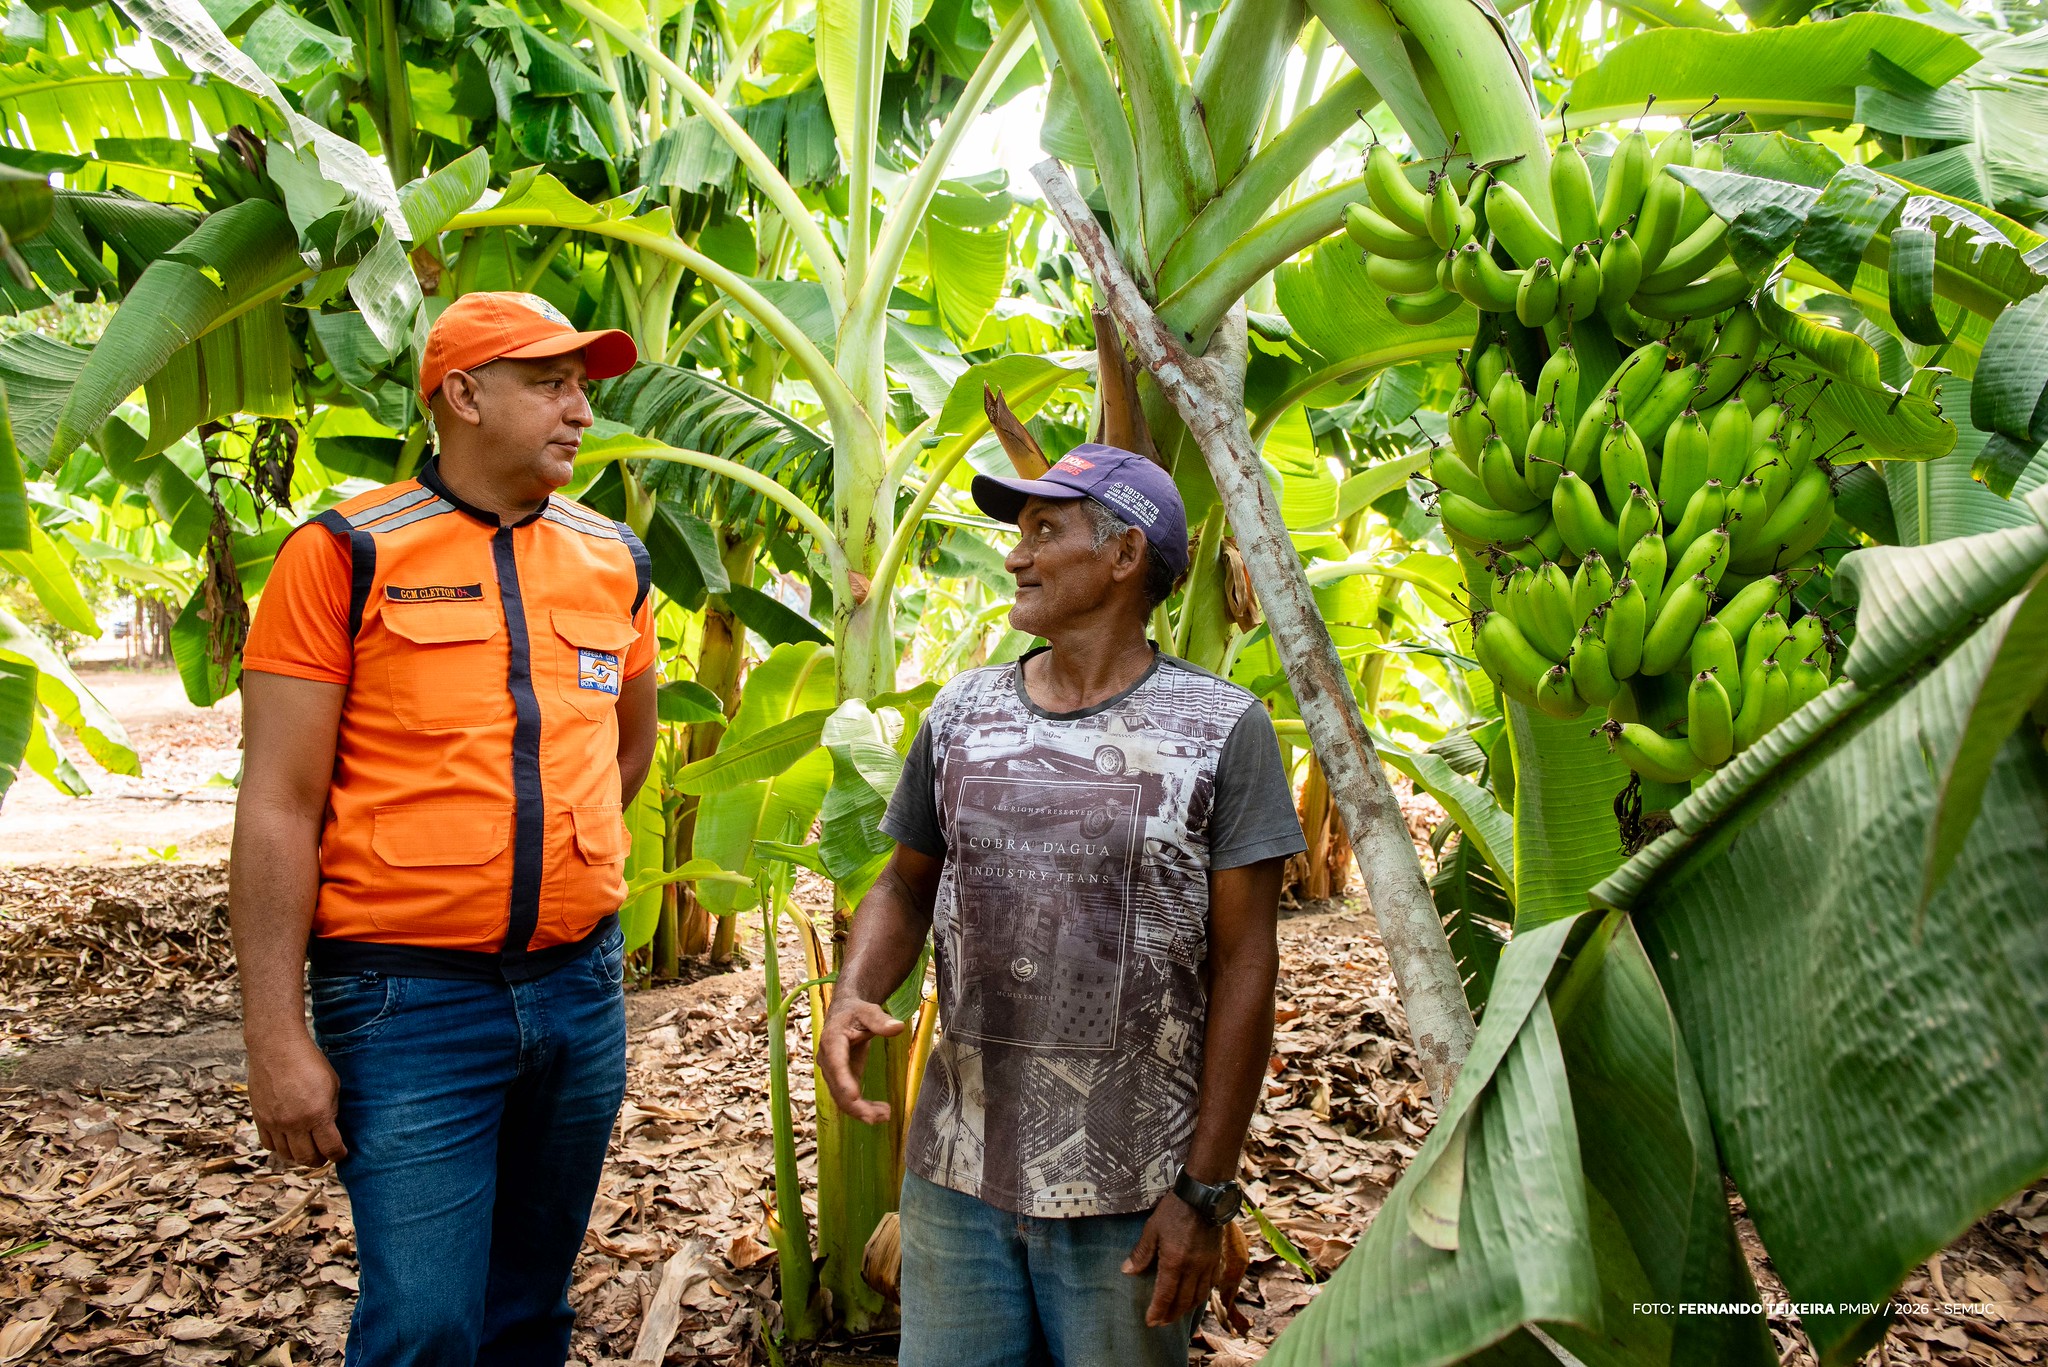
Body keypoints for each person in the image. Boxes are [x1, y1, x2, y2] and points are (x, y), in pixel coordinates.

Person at [229, 291, 661, 1365]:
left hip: (578, 990)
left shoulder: (615, 557)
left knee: (531, 1306)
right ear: (463, 395)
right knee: (424, 1324)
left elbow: (624, 750)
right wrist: (274, 1035)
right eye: (550, 384)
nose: (580, 410)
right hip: (408, 1000)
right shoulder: (344, 553)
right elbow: (277, 803)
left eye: (583, 387)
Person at [819, 445, 1307, 1366]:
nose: (1016, 554)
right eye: (1019, 533)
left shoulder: (1223, 730)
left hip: (1131, 1193)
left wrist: (1204, 1193)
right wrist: (855, 992)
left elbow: (1248, 963)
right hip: (957, 1175)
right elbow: (905, 881)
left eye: (1046, 530)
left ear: (1124, 555)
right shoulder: (960, 712)